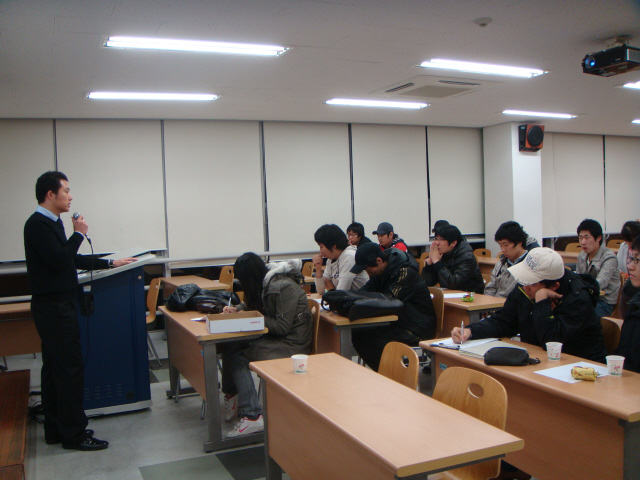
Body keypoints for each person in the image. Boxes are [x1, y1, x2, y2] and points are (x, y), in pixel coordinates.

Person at [24, 171, 137, 451]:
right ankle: (74, 434)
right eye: (66, 190)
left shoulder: (52, 222)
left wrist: (110, 263)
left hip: (56, 306)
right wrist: (78, 234)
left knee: (55, 370)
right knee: (69, 371)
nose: (70, 196)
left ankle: (56, 429)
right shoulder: (37, 224)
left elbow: (71, 258)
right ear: (50, 194)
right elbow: (60, 260)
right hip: (54, 308)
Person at [452, 247, 608, 363]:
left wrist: (541, 301)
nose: (525, 288)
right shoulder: (526, 287)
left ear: (554, 286)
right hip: (542, 361)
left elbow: (552, 343)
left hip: (582, 366)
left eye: (532, 284)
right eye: (524, 281)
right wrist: (471, 331)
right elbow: (505, 321)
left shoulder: (578, 299)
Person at [221, 253, 312, 437]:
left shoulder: (282, 287)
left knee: (239, 357)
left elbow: (282, 326)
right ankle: (233, 395)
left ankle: (253, 416)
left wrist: (253, 318)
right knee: (230, 345)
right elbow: (256, 304)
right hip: (277, 338)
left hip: (292, 343)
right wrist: (238, 309)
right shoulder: (266, 282)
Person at [349, 243, 436, 371]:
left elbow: (388, 302)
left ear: (379, 261)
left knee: (371, 339)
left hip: (417, 327)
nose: (368, 273)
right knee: (359, 333)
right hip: (399, 321)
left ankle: (389, 373)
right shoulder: (380, 272)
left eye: (368, 269)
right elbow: (365, 292)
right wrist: (348, 300)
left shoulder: (405, 273)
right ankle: (384, 372)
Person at [576, 218, 620, 318]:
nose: (583, 242)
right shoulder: (582, 256)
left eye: (587, 238)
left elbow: (599, 283)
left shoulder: (609, 257)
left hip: (604, 302)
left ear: (599, 238)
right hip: (586, 298)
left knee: (579, 317)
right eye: (580, 238)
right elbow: (577, 279)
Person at [421, 224, 484, 293]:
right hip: (450, 294)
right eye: (436, 239)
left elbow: (453, 284)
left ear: (453, 243)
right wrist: (429, 264)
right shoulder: (442, 254)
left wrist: (437, 262)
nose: (437, 243)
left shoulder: (467, 257)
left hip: (470, 295)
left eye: (441, 239)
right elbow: (427, 283)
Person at [484, 221, 539, 298]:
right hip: (495, 304)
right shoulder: (500, 264)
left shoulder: (529, 266)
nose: (502, 250)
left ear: (519, 243)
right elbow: (490, 288)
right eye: (500, 245)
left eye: (506, 245)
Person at [312, 224, 368, 292]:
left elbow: (341, 292)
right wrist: (318, 268)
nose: (320, 251)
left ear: (333, 245)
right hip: (347, 298)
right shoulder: (330, 259)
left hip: (363, 298)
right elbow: (321, 291)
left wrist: (331, 288)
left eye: (321, 247)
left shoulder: (349, 257)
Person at [615, 236, 640, 373]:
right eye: (631, 258)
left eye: (637, 260)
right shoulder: (634, 302)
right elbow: (623, 353)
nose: (630, 266)